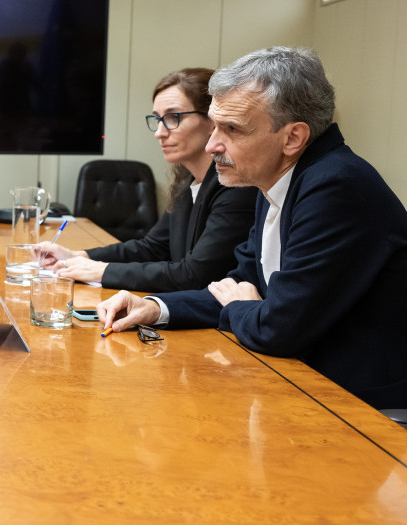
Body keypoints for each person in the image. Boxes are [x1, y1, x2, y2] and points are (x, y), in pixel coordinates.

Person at [98, 47, 407, 409]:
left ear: (292, 138)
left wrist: (244, 305)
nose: (213, 144)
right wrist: (155, 306)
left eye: (231, 129)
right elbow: (236, 287)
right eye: (214, 125)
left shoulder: (335, 185)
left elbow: (278, 329)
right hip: (300, 384)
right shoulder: (275, 176)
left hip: (360, 407)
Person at [35, 68, 257, 292]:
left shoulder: (237, 187)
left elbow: (195, 275)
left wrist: (100, 271)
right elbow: (153, 247)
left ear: (213, 120)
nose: (159, 132)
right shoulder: (188, 181)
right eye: (158, 119)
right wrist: (78, 255)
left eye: (173, 117)